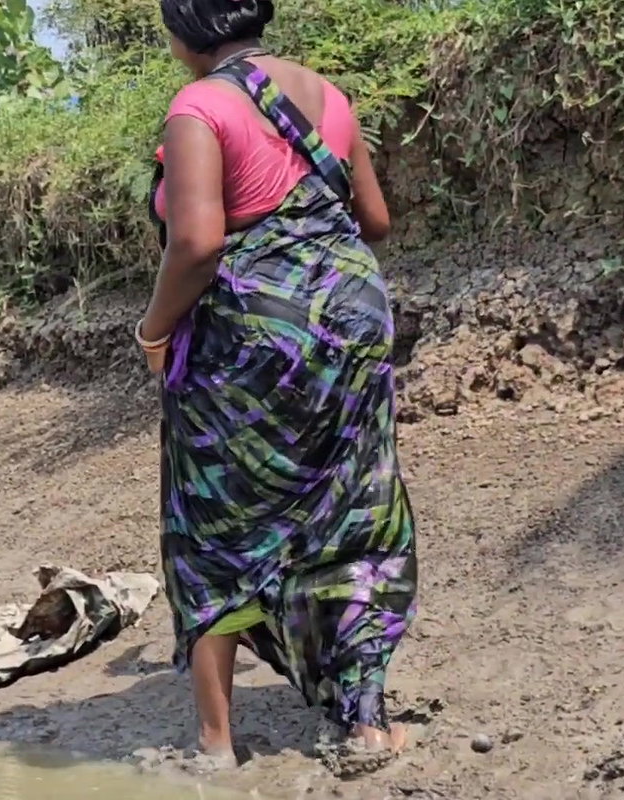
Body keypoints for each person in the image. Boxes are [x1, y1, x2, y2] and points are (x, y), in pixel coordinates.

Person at [136, 0, 419, 768]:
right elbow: (376, 220)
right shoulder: (329, 96)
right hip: (353, 321)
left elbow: (195, 244)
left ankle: (216, 747)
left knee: (213, 524)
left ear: (185, 31)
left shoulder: (200, 105)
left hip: (252, 338)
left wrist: (153, 329)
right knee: (352, 512)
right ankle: (364, 724)